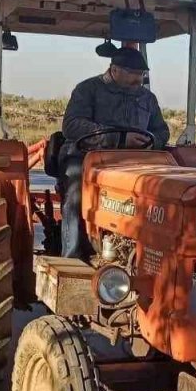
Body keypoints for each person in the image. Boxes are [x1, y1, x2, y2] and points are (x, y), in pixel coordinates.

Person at [58, 46, 170, 258]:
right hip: (88, 156)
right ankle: (72, 255)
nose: (138, 79)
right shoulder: (88, 89)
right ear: (114, 70)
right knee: (75, 193)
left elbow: (162, 131)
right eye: (133, 73)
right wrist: (117, 138)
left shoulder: (147, 98)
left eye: (141, 74)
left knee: (162, 192)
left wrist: (152, 142)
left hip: (135, 161)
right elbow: (72, 125)